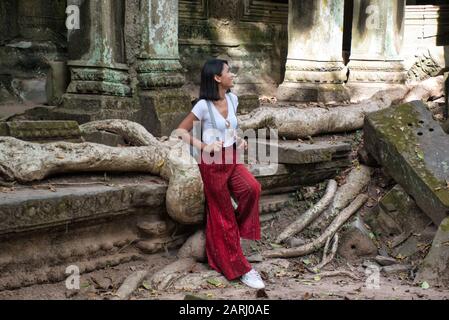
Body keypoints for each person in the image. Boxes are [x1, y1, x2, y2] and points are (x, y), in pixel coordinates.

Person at [176, 59, 265, 289]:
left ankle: (227, 230)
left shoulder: (233, 99)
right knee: (222, 215)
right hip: (212, 164)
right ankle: (242, 269)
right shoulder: (202, 106)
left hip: (232, 158)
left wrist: (238, 140)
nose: (232, 75)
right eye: (228, 72)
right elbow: (180, 131)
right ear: (217, 77)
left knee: (251, 188)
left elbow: (230, 127)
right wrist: (204, 147)